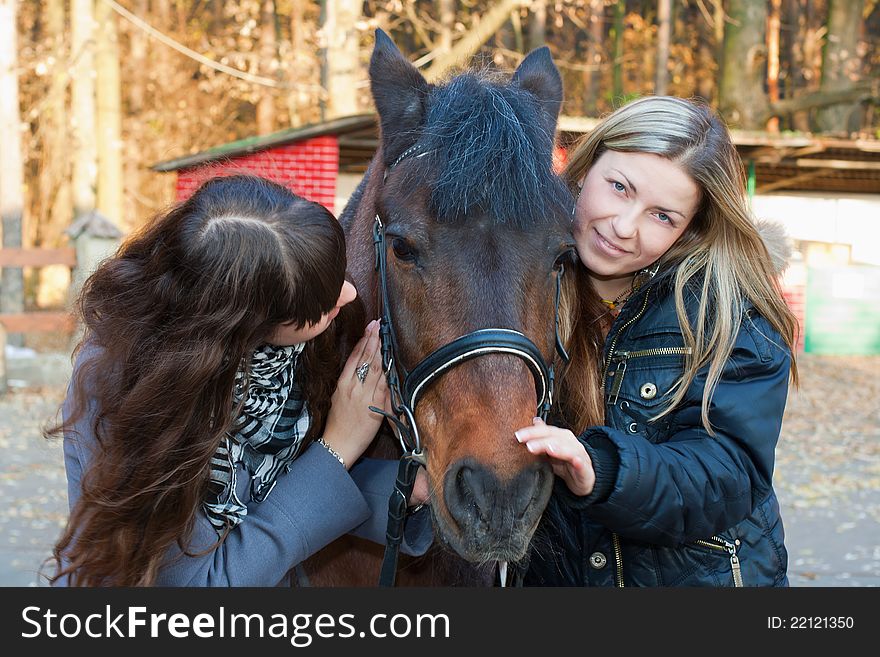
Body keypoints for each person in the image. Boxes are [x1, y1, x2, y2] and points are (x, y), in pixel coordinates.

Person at [47, 175, 429, 586]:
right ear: (247, 324)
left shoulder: (286, 351)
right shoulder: (125, 388)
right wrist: (338, 446)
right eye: (320, 304)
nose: (347, 297)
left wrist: (408, 486)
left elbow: (278, 484)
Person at [516, 96, 799, 587]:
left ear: (692, 229)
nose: (624, 227)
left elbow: (726, 474)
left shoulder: (730, 311)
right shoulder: (515, 280)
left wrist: (600, 469)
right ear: (587, 165)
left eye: (662, 216)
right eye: (619, 187)